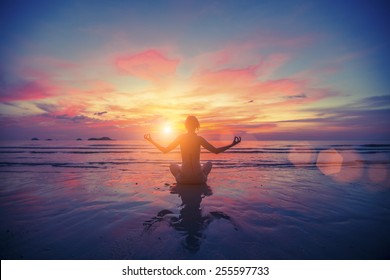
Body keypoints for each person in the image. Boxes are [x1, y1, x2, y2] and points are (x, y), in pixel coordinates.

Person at [144, 115, 241, 184]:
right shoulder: (199, 139)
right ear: (196, 126)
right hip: (199, 180)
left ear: (186, 126)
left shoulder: (181, 137)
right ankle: (204, 177)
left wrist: (151, 140)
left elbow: (165, 150)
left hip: (184, 180)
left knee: (173, 165)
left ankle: (181, 178)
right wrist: (232, 144)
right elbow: (216, 151)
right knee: (209, 164)